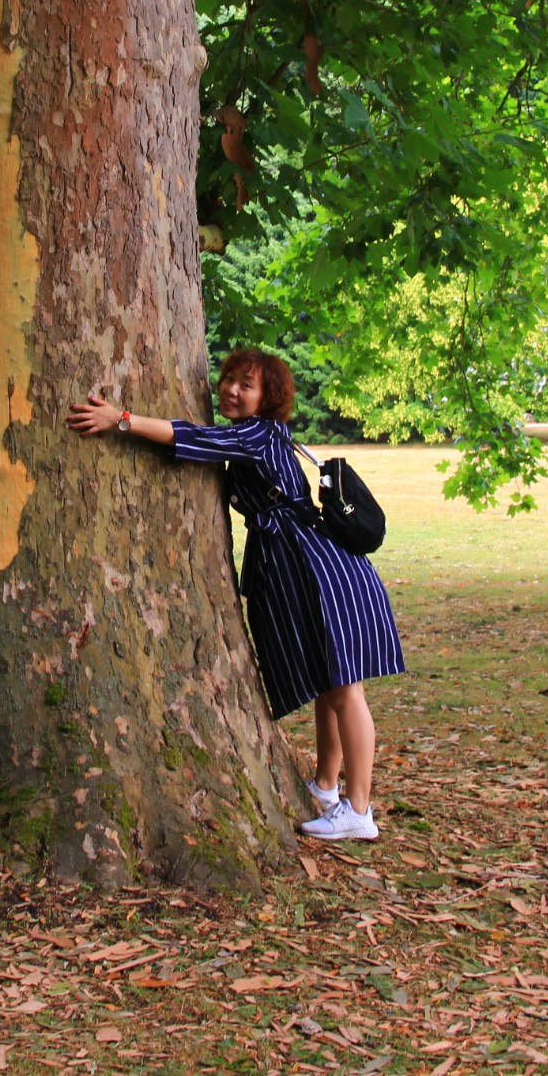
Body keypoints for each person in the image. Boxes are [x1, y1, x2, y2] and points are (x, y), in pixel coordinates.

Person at [67, 349, 405, 841]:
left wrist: (120, 418)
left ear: (268, 399)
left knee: (345, 689)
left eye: (247, 385)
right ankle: (328, 788)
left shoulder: (258, 434)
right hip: (299, 561)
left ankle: (359, 809)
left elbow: (198, 438)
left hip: (314, 564)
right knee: (328, 683)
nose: (231, 390)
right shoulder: (264, 437)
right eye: (229, 380)